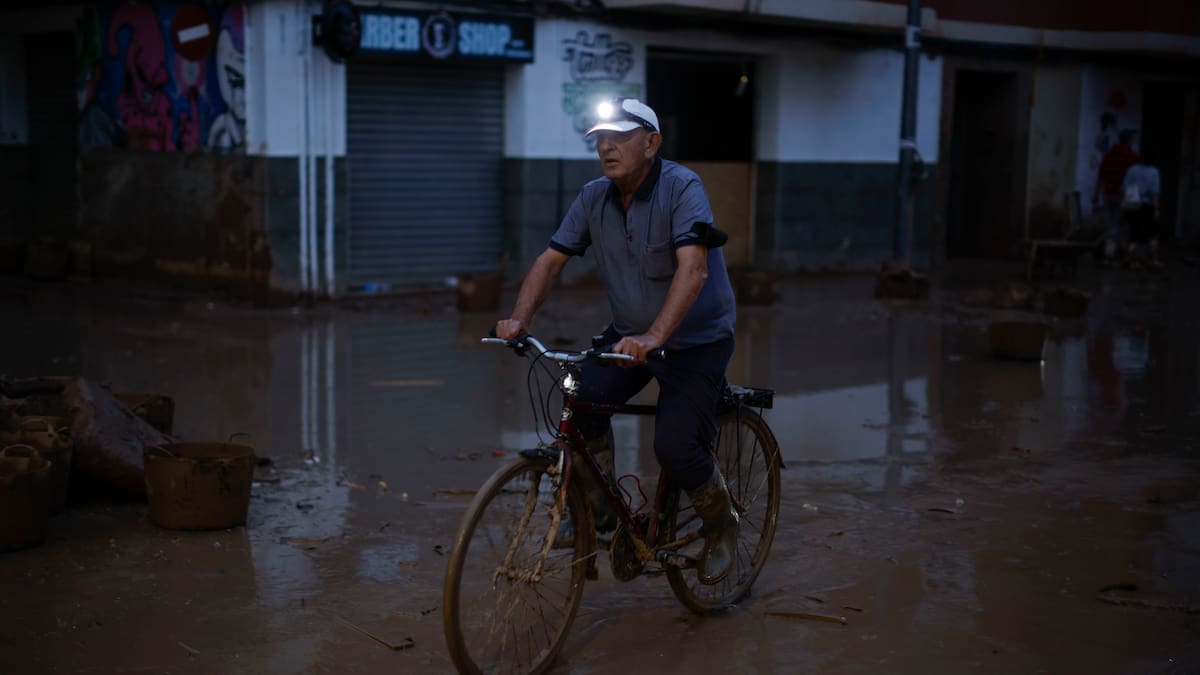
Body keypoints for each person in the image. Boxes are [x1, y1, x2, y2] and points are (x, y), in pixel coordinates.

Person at [495, 98, 739, 585]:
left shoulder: (681, 187)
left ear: (651, 143)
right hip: (631, 334)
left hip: (695, 341)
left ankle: (723, 526)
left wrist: (655, 335)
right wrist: (518, 318)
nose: (606, 145)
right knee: (579, 404)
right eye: (599, 138)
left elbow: (693, 268)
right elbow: (550, 261)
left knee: (675, 446)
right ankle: (603, 515)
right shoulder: (593, 197)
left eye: (620, 136)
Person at [1092, 129, 1139, 261]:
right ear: (1129, 141)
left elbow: (1101, 176)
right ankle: (1116, 253)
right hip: (1124, 196)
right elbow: (1135, 180)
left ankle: (1111, 252)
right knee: (1122, 226)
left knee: (1112, 225)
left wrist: (1095, 195)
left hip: (1108, 194)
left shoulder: (1109, 155)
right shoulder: (1133, 157)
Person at [1119, 152, 1162, 267]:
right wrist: (1156, 210)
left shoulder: (1132, 169)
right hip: (1147, 206)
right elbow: (1155, 193)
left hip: (1133, 205)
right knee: (1152, 233)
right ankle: (1153, 259)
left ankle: (1130, 259)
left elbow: (1124, 188)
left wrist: (1124, 204)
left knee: (1133, 232)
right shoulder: (1154, 172)